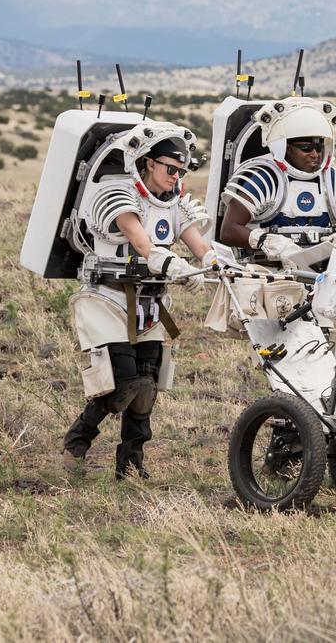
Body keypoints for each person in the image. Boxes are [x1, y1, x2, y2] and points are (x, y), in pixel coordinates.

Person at [62, 124, 215, 479]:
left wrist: (213, 264)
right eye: (170, 169)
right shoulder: (118, 194)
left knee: (147, 386)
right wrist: (168, 261)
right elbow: (141, 242)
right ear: (147, 163)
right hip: (107, 298)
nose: (175, 177)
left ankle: (131, 463)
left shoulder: (175, 204)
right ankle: (78, 439)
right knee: (124, 381)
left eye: (181, 171)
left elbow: (199, 245)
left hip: (150, 304)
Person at [218, 98, 336, 271]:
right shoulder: (264, 180)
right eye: (306, 148)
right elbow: (229, 230)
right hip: (269, 274)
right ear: (285, 147)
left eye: (319, 148)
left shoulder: (333, 181)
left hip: (325, 274)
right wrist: (267, 241)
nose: (314, 154)